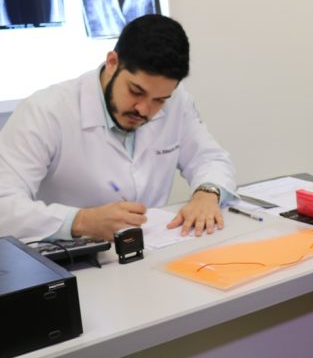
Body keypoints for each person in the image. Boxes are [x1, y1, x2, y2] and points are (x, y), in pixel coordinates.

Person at [0, 14, 237, 242]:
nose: (144, 110)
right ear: (112, 63)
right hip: (70, 257)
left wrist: (207, 193)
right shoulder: (45, 111)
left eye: (159, 100)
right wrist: (79, 221)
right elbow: (5, 205)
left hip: (152, 247)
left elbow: (210, 158)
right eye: (136, 91)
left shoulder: (177, 101)